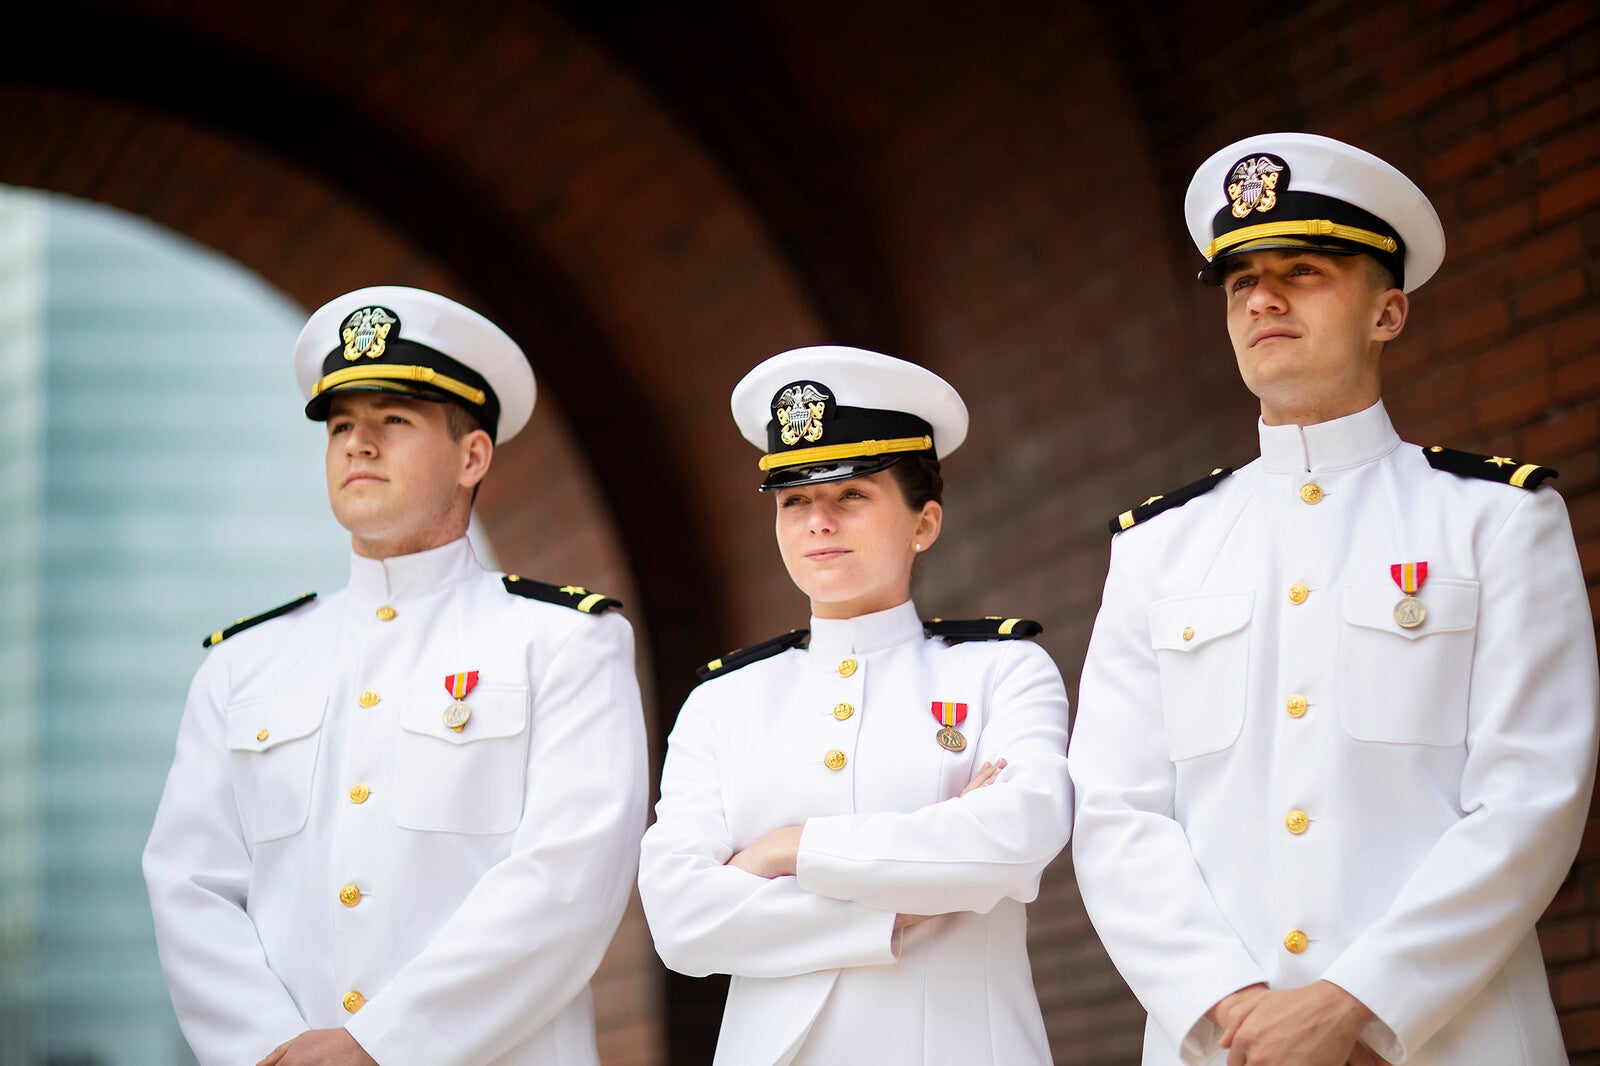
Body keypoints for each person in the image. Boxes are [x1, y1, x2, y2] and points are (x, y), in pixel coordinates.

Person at [1068, 132, 1599, 1066]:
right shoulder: (1157, 548)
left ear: (1387, 311)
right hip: (1222, 1047)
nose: (1262, 299)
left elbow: (1532, 795)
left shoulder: (1496, 521)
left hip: (1452, 1040)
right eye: (1240, 283)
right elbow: (1116, 812)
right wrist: (1231, 1006)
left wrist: (1358, 1000)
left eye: (1302, 270)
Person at [142, 286, 648, 1066]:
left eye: (394, 422)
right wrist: (273, 1050)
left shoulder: (564, 642)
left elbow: (567, 881)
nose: (358, 445)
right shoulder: (243, 665)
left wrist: (381, 1045)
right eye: (342, 425)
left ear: (472, 455)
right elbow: (190, 884)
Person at [637, 345, 1073, 1066]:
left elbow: (1020, 833)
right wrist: (904, 899)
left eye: (851, 496)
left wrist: (788, 850)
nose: (818, 522)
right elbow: (680, 920)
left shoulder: (1003, 668)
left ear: (923, 523)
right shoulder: (723, 702)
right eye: (795, 501)